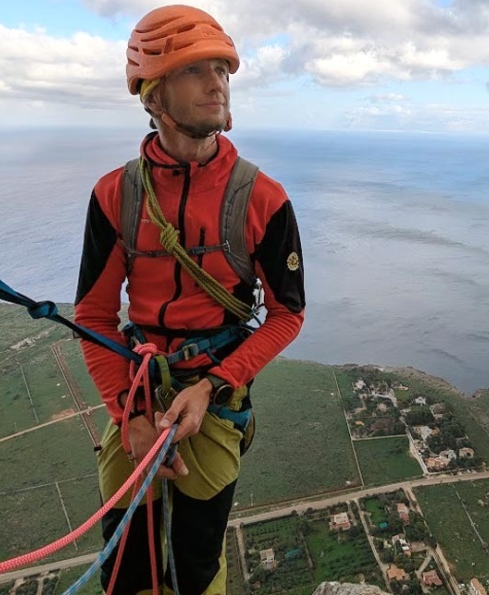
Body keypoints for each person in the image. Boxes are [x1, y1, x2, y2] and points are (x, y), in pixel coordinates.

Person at [73, 5, 305, 594]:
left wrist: (212, 387)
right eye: (195, 71)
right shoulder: (115, 195)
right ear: (153, 96)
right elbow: (94, 316)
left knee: (197, 565)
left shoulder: (262, 198)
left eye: (222, 70)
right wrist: (133, 418)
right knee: (124, 568)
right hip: (139, 392)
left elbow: (287, 315)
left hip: (214, 396)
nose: (217, 84)